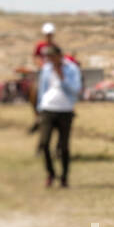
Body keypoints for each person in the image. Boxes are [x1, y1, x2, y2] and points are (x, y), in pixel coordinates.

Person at [36, 44, 81, 188]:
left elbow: (76, 90)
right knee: (44, 143)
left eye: (51, 56)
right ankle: (51, 173)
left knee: (64, 147)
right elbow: (42, 89)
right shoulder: (46, 69)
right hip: (48, 109)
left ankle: (64, 177)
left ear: (59, 56)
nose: (49, 59)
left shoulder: (72, 69)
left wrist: (63, 79)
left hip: (65, 110)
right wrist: (39, 108)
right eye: (47, 57)